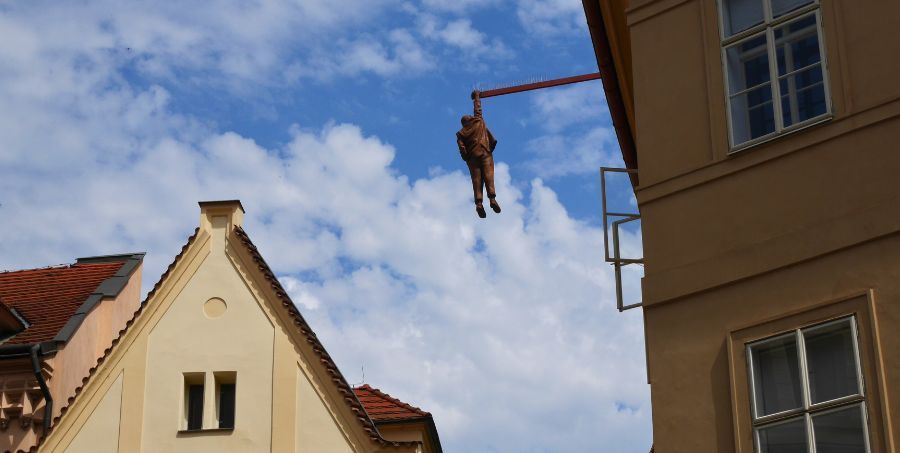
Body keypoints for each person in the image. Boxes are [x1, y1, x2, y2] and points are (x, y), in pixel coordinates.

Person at [456, 90, 500, 218]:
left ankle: (479, 204)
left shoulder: (461, 134)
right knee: (489, 176)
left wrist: (467, 157)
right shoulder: (478, 122)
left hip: (472, 158)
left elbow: (462, 149)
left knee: (476, 180)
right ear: (470, 119)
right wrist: (476, 97)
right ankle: (492, 199)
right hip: (484, 152)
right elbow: (478, 109)